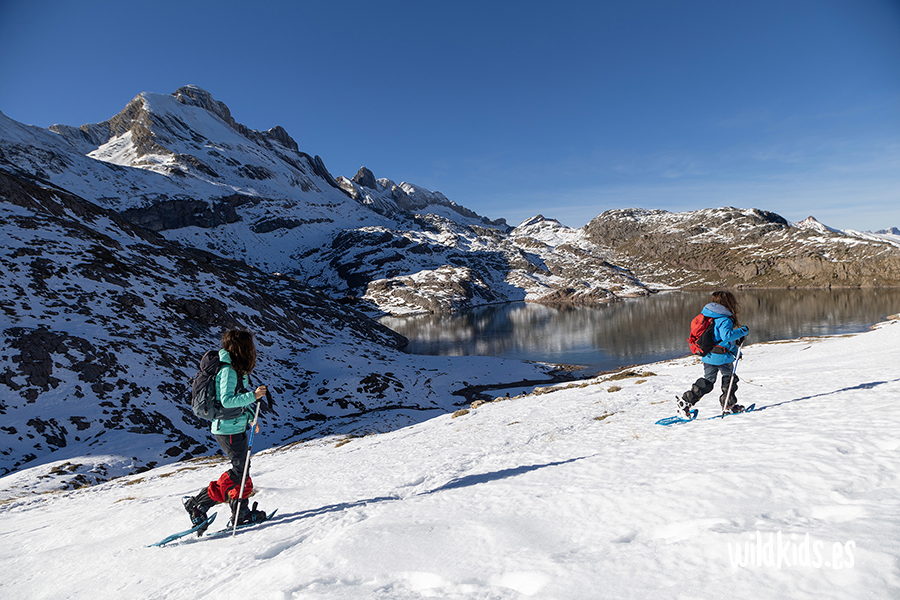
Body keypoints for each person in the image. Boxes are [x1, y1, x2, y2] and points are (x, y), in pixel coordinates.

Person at [184, 329, 268, 530]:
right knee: (240, 469)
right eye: (250, 346)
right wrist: (253, 397)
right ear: (242, 348)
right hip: (226, 429)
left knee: (243, 469)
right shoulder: (228, 371)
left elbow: (235, 403)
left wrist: (249, 418)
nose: (253, 350)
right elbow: (228, 401)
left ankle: (241, 512)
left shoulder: (236, 370)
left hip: (234, 425)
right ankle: (199, 503)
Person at [678, 291, 749, 415]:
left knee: (708, 382)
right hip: (723, 357)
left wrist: (736, 351)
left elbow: (720, 340)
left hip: (708, 356)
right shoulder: (725, 319)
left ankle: (686, 401)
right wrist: (743, 331)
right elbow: (727, 338)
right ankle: (729, 405)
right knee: (729, 380)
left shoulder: (708, 316)